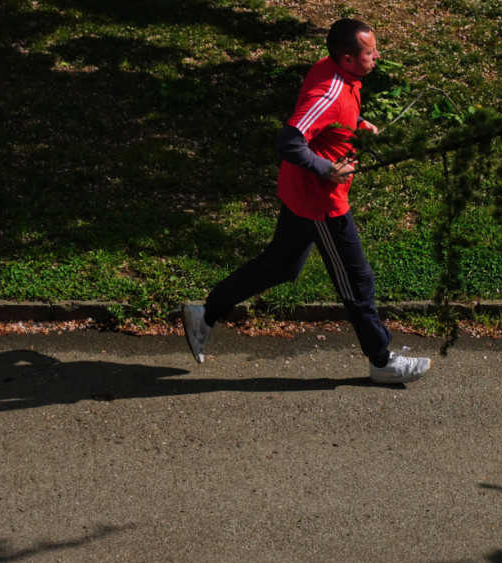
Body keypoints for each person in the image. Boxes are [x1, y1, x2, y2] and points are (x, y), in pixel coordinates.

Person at [182, 18, 431, 384]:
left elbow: (329, 120)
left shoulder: (338, 73)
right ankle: (381, 360)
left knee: (283, 266)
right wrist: (327, 169)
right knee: (356, 279)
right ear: (347, 59)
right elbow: (288, 142)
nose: (377, 55)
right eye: (369, 51)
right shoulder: (329, 91)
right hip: (320, 201)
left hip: (302, 192)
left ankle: (205, 313)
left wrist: (358, 125)